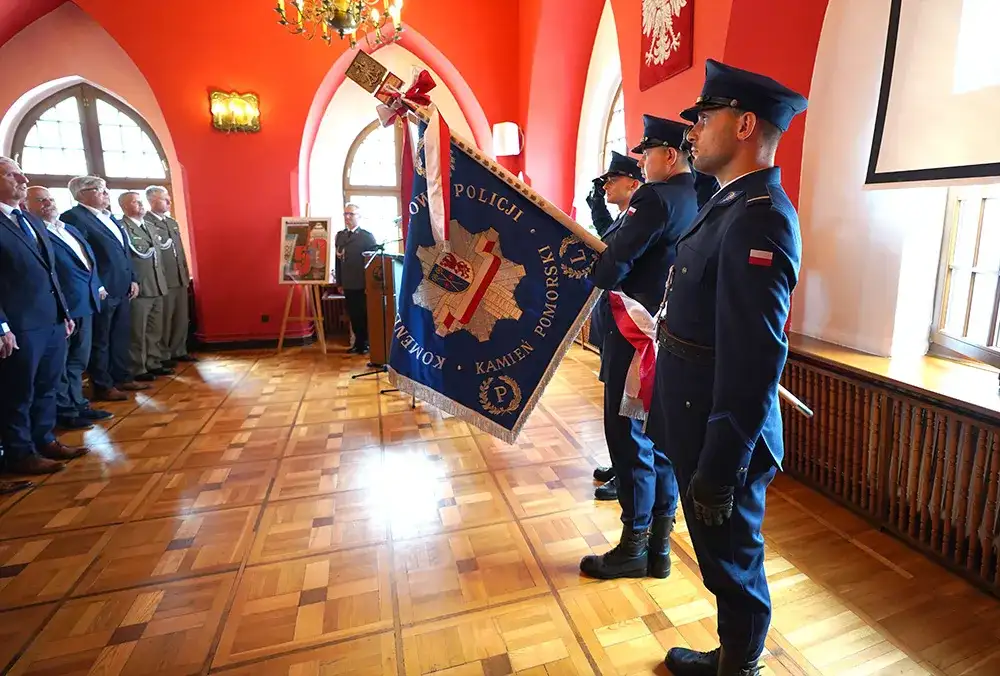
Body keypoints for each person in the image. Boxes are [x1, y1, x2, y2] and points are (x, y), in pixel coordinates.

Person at [650, 59, 808, 676]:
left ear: (745, 125)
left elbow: (755, 359)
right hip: (696, 415)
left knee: (734, 559)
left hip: (724, 431)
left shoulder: (759, 216)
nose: (692, 130)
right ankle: (732, 654)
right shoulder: (731, 204)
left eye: (704, 117)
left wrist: (720, 464)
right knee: (720, 557)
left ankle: (741, 667)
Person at [580, 115, 699, 580]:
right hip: (668, 338)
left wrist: (598, 264)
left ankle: (633, 546)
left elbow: (612, 265)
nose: (641, 162)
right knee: (661, 443)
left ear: (669, 155)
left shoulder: (654, 196)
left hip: (634, 338)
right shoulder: (697, 196)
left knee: (627, 441)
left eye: (645, 153)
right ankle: (659, 549)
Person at [0, 157, 89, 479]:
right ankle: (20, 453)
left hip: (51, 320)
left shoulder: (30, 220)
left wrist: (64, 313)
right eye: (11, 174)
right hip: (19, 323)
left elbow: (52, 273)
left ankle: (45, 439)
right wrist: (1, 326)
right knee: (18, 391)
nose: (22, 179)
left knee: (47, 385)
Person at [25, 186, 114, 430]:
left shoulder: (69, 229)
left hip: (85, 302)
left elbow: (88, 262)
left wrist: (97, 286)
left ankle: (79, 404)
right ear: (25, 205)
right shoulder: (34, 233)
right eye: (40, 200)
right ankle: (65, 411)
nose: (48, 203)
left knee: (78, 360)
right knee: (61, 365)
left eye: (50, 199)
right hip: (62, 307)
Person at [584, 151, 645, 501]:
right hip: (614, 325)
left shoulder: (639, 220)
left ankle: (628, 478)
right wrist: (596, 202)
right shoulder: (624, 219)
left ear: (632, 182)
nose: (606, 185)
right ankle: (620, 465)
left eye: (612, 179)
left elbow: (615, 256)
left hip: (631, 326)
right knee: (614, 409)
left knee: (626, 410)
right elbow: (607, 237)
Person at [61, 176, 146, 400]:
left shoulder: (111, 218)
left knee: (120, 335)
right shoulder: (74, 218)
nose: (106, 193)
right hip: (101, 290)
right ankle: (103, 384)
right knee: (101, 339)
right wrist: (97, 285)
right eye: (100, 190)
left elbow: (124, 252)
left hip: (123, 286)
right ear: (81, 194)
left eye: (105, 189)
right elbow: (84, 256)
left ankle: (122, 377)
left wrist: (133, 279)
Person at [119, 191, 172, 381]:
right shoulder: (122, 227)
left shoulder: (149, 226)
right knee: (137, 332)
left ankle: (153, 362)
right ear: (124, 207)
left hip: (157, 284)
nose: (141, 205)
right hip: (140, 287)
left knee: (154, 329)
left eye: (141, 202)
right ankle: (138, 368)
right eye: (135, 202)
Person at [144, 185, 196, 364]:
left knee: (181, 318)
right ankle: (163, 354)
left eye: (168, 198)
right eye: (164, 199)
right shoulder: (147, 222)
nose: (169, 202)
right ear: (151, 201)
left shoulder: (171, 222)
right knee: (164, 320)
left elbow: (178, 251)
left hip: (179, 277)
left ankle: (179, 350)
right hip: (163, 279)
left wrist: (186, 273)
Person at [334, 203, 377, 354]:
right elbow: (338, 261)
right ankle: (358, 344)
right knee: (353, 314)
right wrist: (339, 281)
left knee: (363, 314)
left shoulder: (366, 237)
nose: (347, 217)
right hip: (348, 282)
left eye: (351, 214)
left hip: (362, 282)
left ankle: (366, 344)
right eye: (345, 214)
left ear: (359, 217)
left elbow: (373, 262)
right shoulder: (340, 236)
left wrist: (369, 283)